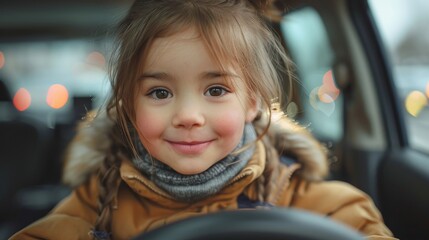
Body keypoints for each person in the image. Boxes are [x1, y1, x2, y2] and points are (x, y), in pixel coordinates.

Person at [10, 0, 396, 239]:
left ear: (253, 103)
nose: (189, 117)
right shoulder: (97, 204)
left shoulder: (306, 200)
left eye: (215, 90)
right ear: (129, 106)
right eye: (159, 93)